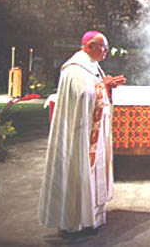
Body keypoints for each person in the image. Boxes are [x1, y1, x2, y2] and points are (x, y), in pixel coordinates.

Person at [39, 31, 126, 236]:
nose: (106, 51)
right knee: (78, 171)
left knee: (93, 172)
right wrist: (103, 86)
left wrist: (107, 85)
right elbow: (84, 96)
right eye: (102, 47)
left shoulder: (92, 65)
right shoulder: (74, 69)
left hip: (91, 131)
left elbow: (95, 90)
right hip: (79, 132)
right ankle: (74, 222)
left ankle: (91, 218)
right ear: (89, 46)